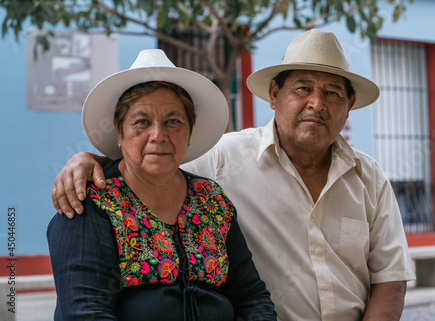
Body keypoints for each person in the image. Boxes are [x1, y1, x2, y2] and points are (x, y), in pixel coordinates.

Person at [51, 29, 416, 320]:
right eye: (303, 88)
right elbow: (152, 163)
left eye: (333, 92)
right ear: (274, 94)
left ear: (349, 106)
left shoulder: (370, 178)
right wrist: (90, 160)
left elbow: (390, 279)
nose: (317, 104)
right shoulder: (224, 157)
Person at [46, 49, 277, 321]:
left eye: (173, 122)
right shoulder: (92, 204)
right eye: (142, 122)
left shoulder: (211, 199)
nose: (158, 135)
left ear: (190, 131)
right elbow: (87, 313)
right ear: (119, 131)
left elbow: (251, 297)